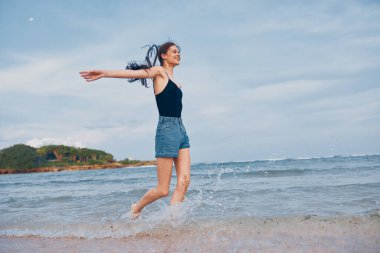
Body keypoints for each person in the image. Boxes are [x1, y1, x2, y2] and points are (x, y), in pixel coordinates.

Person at [79, 41, 191, 218]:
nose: (178, 54)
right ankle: (137, 208)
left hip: (181, 129)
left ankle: (172, 221)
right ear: (164, 55)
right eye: (174, 51)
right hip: (167, 129)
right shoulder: (159, 72)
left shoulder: (176, 82)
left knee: (184, 182)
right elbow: (135, 73)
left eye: (179, 52)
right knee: (163, 189)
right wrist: (104, 73)